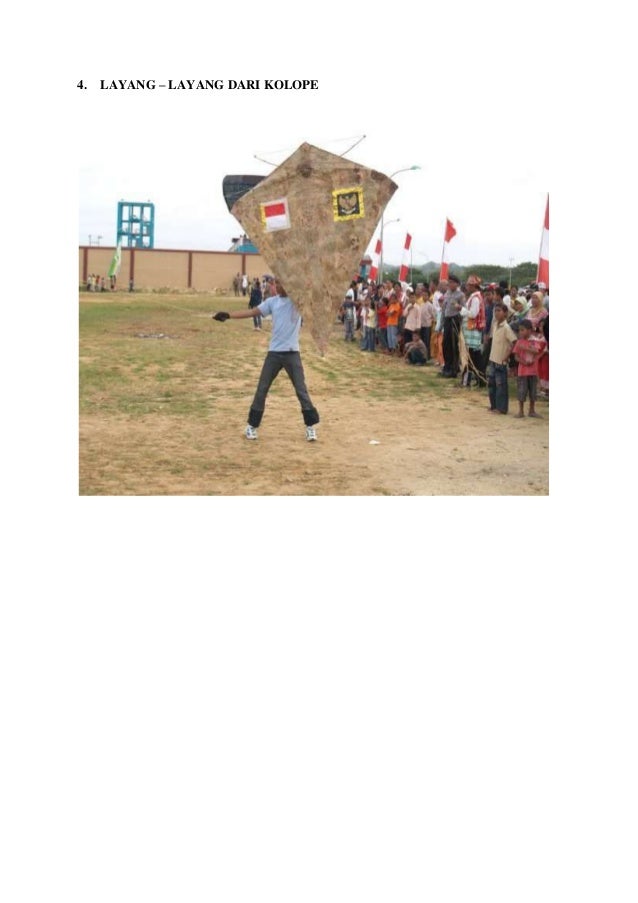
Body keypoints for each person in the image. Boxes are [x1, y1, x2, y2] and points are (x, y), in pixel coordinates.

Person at [212, 280, 320, 441]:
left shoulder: (297, 302)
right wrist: (228, 315)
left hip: (292, 353)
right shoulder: (272, 302)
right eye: (276, 283)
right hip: (274, 354)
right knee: (262, 389)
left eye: (280, 283)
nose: (277, 286)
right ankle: (251, 426)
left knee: (301, 390)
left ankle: (310, 427)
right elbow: (252, 312)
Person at [512, 319, 546, 418]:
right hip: (522, 371)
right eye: (520, 330)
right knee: (521, 391)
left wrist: (525, 348)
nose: (520, 332)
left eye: (523, 330)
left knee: (533, 392)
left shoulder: (534, 341)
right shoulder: (519, 342)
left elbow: (536, 351)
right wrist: (523, 362)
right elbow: (516, 357)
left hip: (533, 371)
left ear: (530, 330)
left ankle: (532, 410)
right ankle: (521, 411)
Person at [487, 303, 516, 414]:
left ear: (505, 313)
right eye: (495, 311)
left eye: (499, 311)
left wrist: (507, 356)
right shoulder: (495, 325)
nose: (496, 313)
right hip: (493, 359)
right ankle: (494, 406)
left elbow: (514, 342)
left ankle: (501, 408)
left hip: (501, 361)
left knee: (501, 385)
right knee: (492, 384)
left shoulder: (506, 328)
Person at [459, 274, 486, 386]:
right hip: (470, 331)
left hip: (472, 332)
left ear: (473, 286)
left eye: (468, 285)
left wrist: (461, 309)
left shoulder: (475, 298)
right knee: (473, 356)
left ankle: (473, 380)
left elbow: (473, 314)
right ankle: (477, 380)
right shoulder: (474, 297)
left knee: (472, 356)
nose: (467, 287)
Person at [440, 274, 464, 377]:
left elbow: (463, 309)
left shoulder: (460, 295)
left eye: (452, 282)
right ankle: (447, 366)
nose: (450, 284)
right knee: (445, 344)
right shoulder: (447, 294)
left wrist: (459, 309)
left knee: (453, 345)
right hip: (447, 319)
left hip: (455, 320)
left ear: (457, 284)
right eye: (449, 282)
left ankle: (454, 369)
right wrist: (441, 324)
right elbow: (443, 309)